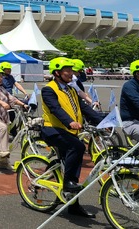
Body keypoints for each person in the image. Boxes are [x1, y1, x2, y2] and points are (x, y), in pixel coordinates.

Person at [40, 57, 103, 218]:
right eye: (67, 70)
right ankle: (68, 184)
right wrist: (70, 122)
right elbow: (55, 109)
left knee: (72, 159)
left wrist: (102, 121)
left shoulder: (71, 89)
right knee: (78, 147)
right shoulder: (49, 89)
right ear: (57, 72)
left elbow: (83, 108)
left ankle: (73, 204)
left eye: (71, 70)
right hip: (52, 130)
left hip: (68, 131)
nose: (70, 73)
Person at [0, 68, 27, 169]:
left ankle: (3, 163)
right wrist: (2, 103)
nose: (1, 78)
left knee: (6, 130)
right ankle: (2, 152)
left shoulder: (2, 88)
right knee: (3, 128)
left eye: (1, 76)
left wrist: (23, 104)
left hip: (1, 116)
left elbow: (11, 98)